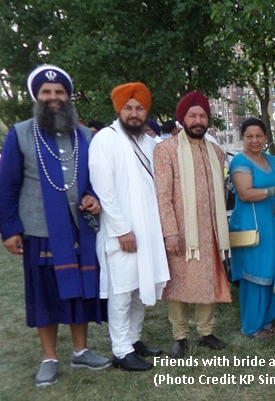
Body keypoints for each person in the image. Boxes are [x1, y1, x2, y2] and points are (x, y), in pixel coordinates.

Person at [0, 64, 110, 386]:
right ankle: (49, 357)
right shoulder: (20, 133)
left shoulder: (85, 135)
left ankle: (81, 351)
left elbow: (94, 180)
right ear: (37, 96)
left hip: (79, 229)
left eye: (59, 92)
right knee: (44, 296)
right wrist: (9, 229)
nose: (53, 97)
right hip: (39, 229)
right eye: (46, 92)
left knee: (80, 292)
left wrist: (92, 196)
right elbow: (7, 186)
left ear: (68, 96)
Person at [89, 82, 170, 371]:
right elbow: (104, 190)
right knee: (122, 291)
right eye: (128, 108)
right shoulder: (105, 140)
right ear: (119, 109)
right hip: (120, 232)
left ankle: (134, 340)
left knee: (140, 288)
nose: (134, 114)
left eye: (140, 109)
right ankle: (121, 350)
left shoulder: (150, 144)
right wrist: (122, 229)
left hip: (149, 231)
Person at [154, 91, 231, 357]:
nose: (198, 121)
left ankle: (206, 331)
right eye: (192, 115)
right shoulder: (166, 150)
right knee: (180, 284)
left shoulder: (216, 152)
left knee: (209, 279)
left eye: (202, 116)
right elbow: (163, 196)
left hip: (210, 230)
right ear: (182, 118)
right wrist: (170, 232)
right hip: (182, 231)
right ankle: (180, 335)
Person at [229, 118, 275, 338]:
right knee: (255, 274)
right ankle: (251, 326)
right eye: (249, 136)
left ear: (265, 137)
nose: (254, 140)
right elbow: (245, 194)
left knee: (274, 269)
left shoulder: (272, 160)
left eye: (259, 136)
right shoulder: (240, 161)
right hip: (252, 227)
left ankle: (267, 320)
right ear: (242, 137)